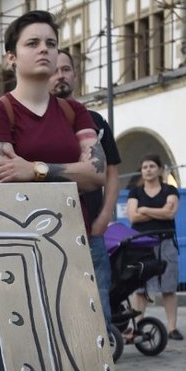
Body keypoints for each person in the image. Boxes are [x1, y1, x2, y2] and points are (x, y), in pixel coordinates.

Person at [0, 12, 105, 202]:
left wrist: (33, 169)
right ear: (11, 57)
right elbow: (6, 176)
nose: (44, 49)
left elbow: (96, 174)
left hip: (72, 227)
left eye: (51, 44)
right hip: (19, 227)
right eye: (33, 43)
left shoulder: (74, 111)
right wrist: (75, 173)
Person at [51, 50, 120, 312]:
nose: (60, 76)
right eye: (55, 71)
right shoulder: (37, 123)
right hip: (51, 229)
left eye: (66, 69)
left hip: (90, 231)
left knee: (97, 302)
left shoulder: (95, 121)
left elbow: (112, 173)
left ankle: (102, 354)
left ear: (75, 75)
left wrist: (103, 218)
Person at [126, 155, 181, 339]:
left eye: (151, 166)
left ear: (159, 169)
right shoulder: (135, 192)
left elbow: (170, 213)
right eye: (144, 167)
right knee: (140, 287)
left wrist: (145, 210)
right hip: (141, 244)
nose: (148, 170)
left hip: (165, 242)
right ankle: (136, 326)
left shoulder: (170, 190)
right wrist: (160, 212)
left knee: (168, 286)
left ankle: (172, 327)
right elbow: (133, 217)